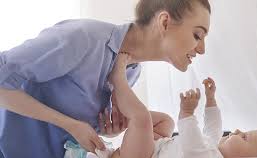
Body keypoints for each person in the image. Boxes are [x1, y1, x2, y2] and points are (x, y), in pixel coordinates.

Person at [0, 0, 211, 157]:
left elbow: (76, 119)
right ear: (164, 22)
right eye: (197, 35)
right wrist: (70, 125)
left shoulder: (131, 71)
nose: (201, 49)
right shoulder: (82, 38)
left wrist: (107, 130)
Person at [101, 52, 257, 158]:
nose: (237, 131)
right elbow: (213, 128)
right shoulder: (213, 148)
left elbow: (191, 144)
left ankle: (118, 80)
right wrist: (211, 100)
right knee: (166, 122)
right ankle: (126, 118)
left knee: (142, 119)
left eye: (244, 137)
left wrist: (187, 113)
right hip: (156, 148)